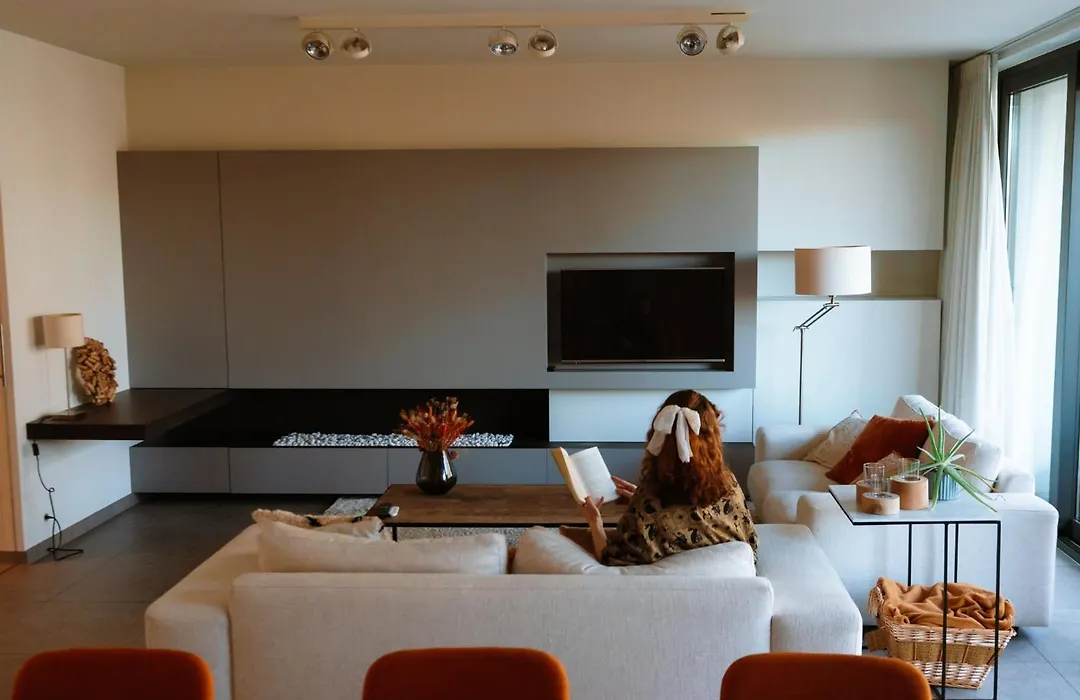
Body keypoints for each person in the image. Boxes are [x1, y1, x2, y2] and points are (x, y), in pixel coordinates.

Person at [580, 389, 758, 566]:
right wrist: (641, 502)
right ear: (711, 437)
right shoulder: (730, 485)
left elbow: (612, 558)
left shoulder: (648, 504)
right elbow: (750, 542)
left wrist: (595, 522)